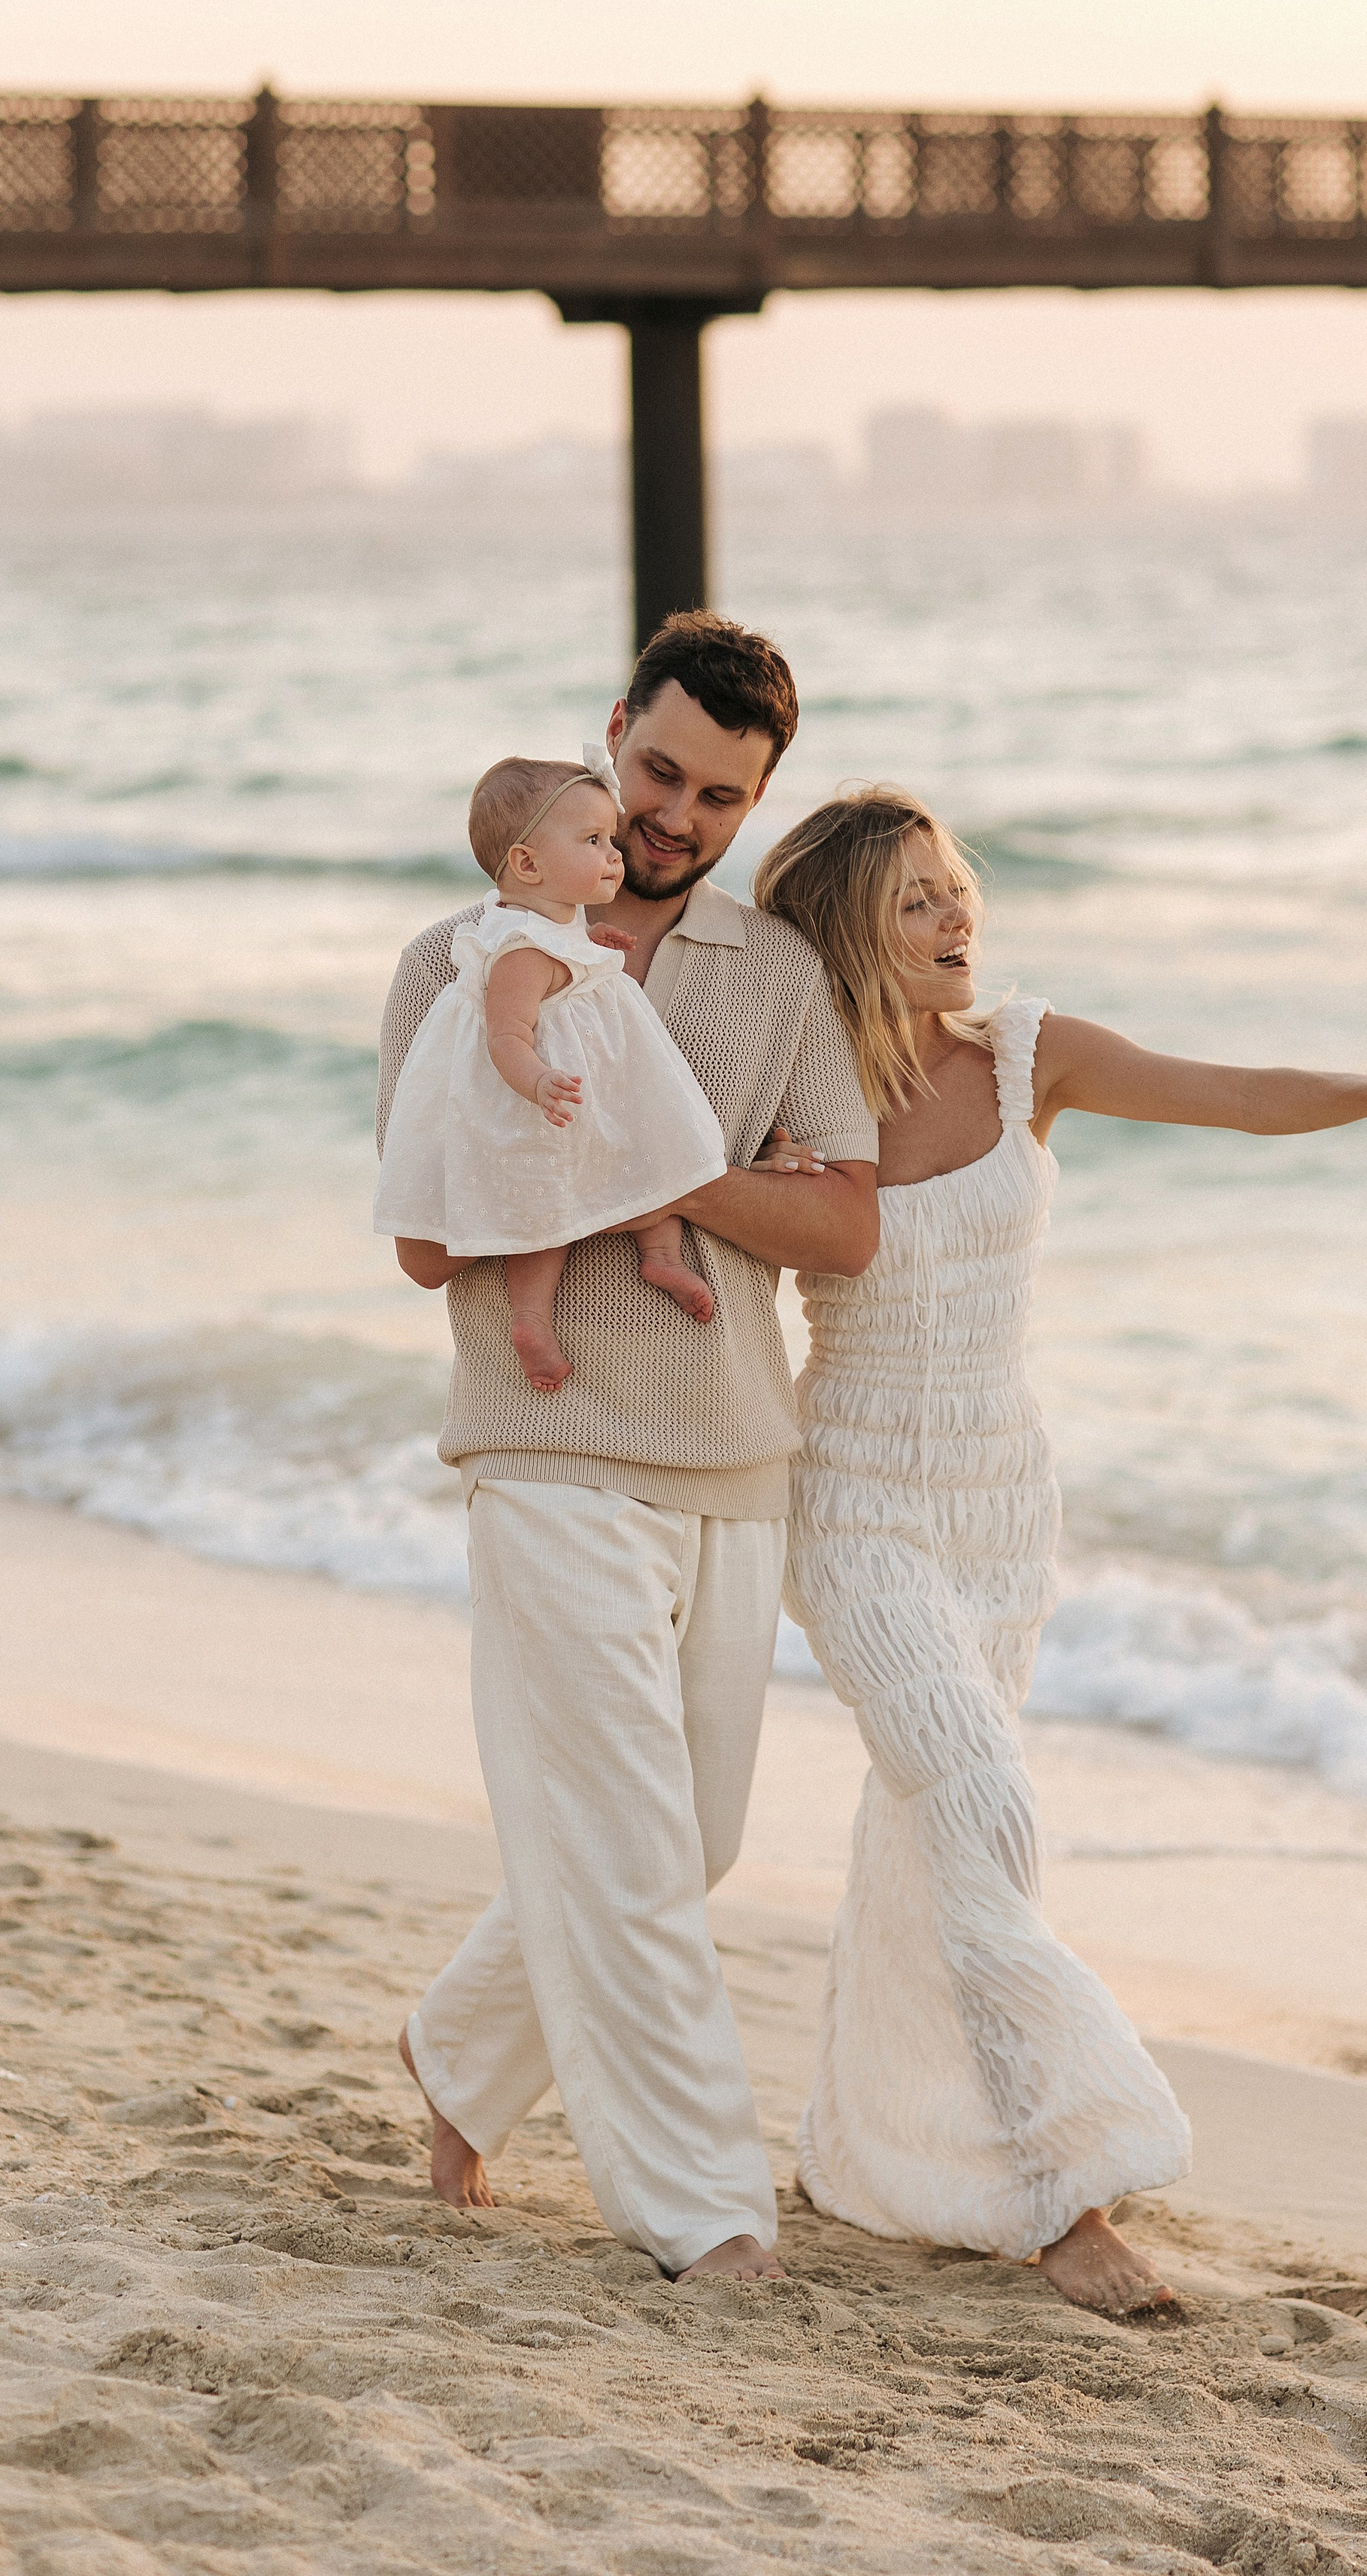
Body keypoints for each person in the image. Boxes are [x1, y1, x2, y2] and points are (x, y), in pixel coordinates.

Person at [756, 786, 1367, 2317]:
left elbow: (1229, 1091)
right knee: (981, 1806)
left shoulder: (1029, 1053)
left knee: (924, 1837)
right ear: (847, 931)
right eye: (915, 901)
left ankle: (858, 2148)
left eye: (957, 887)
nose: (956, 918)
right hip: (851, 1504)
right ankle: (1066, 2194)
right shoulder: (792, 1091)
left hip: (998, 1505)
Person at [377, 615, 881, 2284]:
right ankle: (705, 2211)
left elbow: (844, 1229)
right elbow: (425, 1245)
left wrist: (670, 1182)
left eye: (714, 797)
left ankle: (457, 2055)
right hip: (544, 1441)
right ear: (609, 737)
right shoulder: (460, 963)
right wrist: (649, 1163)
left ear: (751, 806)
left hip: (737, 1450)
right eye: (653, 773)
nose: (669, 817)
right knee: (625, 1844)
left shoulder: (777, 977)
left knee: (690, 1836)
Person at [374, 751, 726, 1390]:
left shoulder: (557, 920)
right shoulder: (517, 949)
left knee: (656, 1146)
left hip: (583, 1089)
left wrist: (597, 945)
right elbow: (506, 1035)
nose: (614, 854)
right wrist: (538, 1082)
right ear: (527, 864)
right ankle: (532, 1316)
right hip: (538, 1102)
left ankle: (661, 1257)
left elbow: (574, 959)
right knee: (542, 1209)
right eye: (593, 841)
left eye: (610, 838)